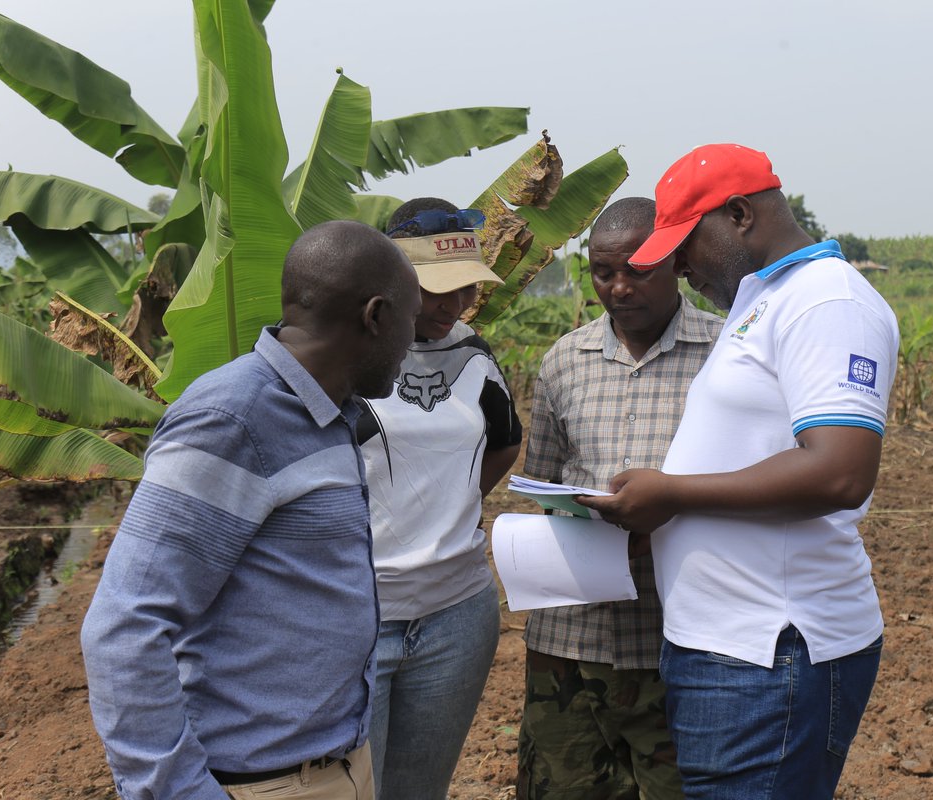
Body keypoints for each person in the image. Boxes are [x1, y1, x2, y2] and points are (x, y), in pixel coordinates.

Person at [580, 144, 900, 799]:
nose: (680, 266)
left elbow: (840, 473)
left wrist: (672, 495)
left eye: (687, 244)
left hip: (771, 651)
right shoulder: (765, 300)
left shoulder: (825, 303)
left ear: (739, 215)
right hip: (730, 645)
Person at [81, 220, 422, 800]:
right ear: (376, 315)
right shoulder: (234, 419)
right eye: (411, 321)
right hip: (259, 783)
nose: (411, 345)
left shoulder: (329, 414)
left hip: (337, 766)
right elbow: (124, 627)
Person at [517, 197, 723, 800]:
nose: (618, 288)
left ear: (677, 263)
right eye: (603, 273)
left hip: (680, 636)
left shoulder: (726, 356)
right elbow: (544, 482)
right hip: (569, 640)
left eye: (637, 270)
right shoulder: (565, 362)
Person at [360, 198, 523, 800]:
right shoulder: (348, 356)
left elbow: (504, 443)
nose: (452, 306)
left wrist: (451, 501)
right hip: (358, 618)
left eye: (465, 291)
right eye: (435, 290)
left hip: (456, 618)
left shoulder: (472, 354)